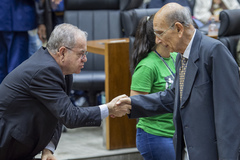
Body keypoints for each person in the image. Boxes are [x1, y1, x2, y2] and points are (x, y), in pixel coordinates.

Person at [117, 3, 240, 160]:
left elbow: (229, 115)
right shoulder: (180, 57)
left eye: (160, 33)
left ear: (179, 29)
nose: (158, 40)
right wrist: (131, 103)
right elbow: (174, 97)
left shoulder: (214, 52)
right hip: (186, 150)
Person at [0, 23, 130, 160]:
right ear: (62, 52)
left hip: (19, 145)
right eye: (81, 54)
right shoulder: (45, 71)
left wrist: (48, 149)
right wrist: (109, 109)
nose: (85, 59)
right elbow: (70, 116)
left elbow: (58, 113)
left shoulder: (62, 71)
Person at [130, 14, 177, 159]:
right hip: (155, 135)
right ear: (160, 37)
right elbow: (137, 105)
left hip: (175, 132)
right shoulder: (147, 66)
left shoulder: (176, 57)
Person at [0, 0, 48, 83]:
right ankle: (14, 95)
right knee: (16, 66)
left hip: (7, 16)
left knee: (3, 65)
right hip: (18, 18)